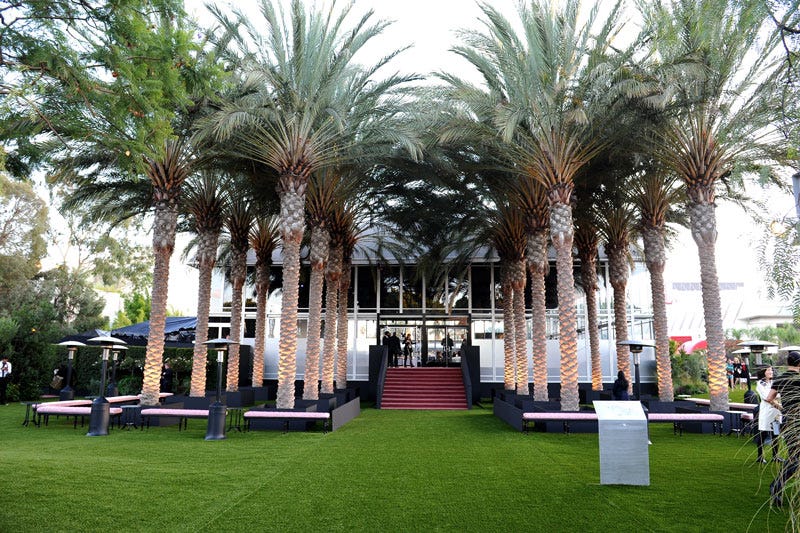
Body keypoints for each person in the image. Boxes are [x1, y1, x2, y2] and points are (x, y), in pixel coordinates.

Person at [768, 351, 800, 508]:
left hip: (787, 421)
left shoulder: (780, 378)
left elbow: (769, 398)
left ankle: (777, 486)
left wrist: (782, 408)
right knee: (797, 458)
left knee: (795, 456)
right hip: (797, 421)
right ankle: (776, 485)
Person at [755, 366, 782, 464]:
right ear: (763, 372)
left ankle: (775, 456)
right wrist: (778, 405)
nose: (771, 372)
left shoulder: (774, 382)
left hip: (776, 413)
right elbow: (767, 397)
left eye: (771, 370)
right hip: (767, 412)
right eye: (769, 370)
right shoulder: (760, 384)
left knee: (776, 434)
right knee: (763, 434)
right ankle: (760, 456)